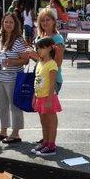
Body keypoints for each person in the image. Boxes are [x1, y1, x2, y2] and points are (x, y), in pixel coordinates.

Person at [0, 12, 29, 144]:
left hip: (13, 78)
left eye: (11, 22)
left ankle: (15, 133)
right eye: (6, 22)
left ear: (15, 24)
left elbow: (26, 60)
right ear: (2, 23)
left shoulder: (19, 40)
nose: (8, 24)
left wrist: (13, 61)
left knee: (15, 106)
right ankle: (3, 131)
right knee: (2, 105)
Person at [28, 8, 65, 146]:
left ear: (54, 21)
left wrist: (36, 56)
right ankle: (46, 138)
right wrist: (33, 56)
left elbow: (57, 63)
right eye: (42, 20)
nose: (45, 22)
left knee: (49, 111)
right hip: (40, 78)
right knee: (42, 111)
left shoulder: (57, 39)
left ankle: (51, 142)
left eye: (47, 19)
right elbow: (41, 60)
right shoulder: (39, 37)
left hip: (52, 79)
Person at [31, 36, 62, 156]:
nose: (39, 51)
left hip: (49, 97)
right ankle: (45, 142)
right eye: (37, 48)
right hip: (40, 97)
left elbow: (52, 83)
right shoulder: (40, 63)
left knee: (51, 122)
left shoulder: (52, 64)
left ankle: (51, 145)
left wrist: (49, 99)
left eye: (41, 48)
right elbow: (37, 81)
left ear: (49, 48)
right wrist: (35, 96)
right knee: (43, 122)